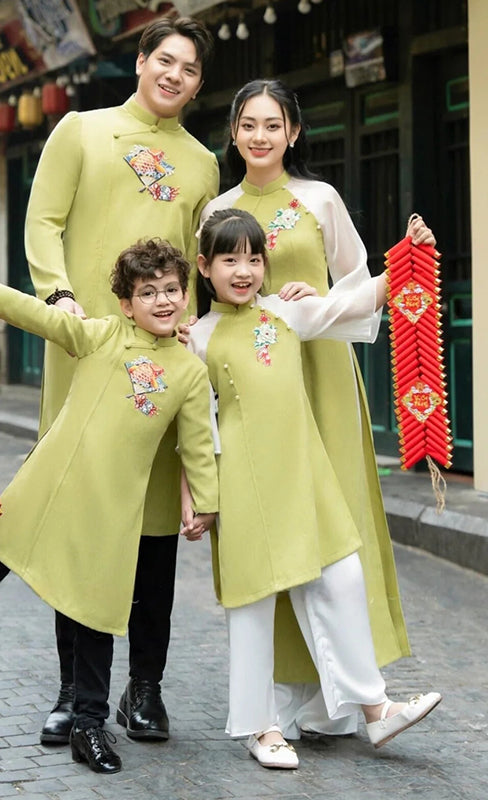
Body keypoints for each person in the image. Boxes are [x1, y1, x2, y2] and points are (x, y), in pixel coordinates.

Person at [0, 16, 220, 748]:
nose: (174, 75)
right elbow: (43, 222)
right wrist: (60, 295)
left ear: (199, 84)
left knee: (153, 523)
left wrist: (194, 329)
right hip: (84, 343)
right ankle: (73, 692)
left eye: (190, 68)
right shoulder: (80, 130)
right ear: (141, 60)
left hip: (164, 363)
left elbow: (197, 263)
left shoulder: (202, 164)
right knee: (76, 515)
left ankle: (145, 687)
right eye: (164, 60)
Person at [0, 241, 218, 775]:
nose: (162, 300)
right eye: (148, 292)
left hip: (109, 511)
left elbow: (199, 445)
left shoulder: (188, 371)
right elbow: (45, 319)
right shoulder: (102, 334)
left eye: (171, 290)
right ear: (126, 304)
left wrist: (206, 503)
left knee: (94, 615)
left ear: (186, 296)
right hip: (47, 487)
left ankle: (89, 725)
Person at [200, 78, 437, 740]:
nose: (260, 136)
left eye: (273, 125)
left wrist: (329, 294)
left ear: (294, 132)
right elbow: (208, 295)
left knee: (336, 528)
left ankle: (343, 700)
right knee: (268, 528)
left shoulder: (320, 199)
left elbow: (360, 285)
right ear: (233, 132)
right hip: (252, 382)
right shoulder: (217, 209)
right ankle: (285, 698)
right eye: (248, 124)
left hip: (321, 372)